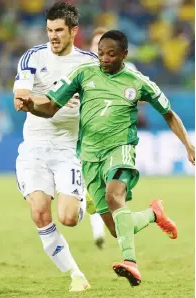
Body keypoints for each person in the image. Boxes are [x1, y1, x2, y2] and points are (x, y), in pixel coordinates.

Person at [16, 30, 195, 287]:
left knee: (114, 197)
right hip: (89, 157)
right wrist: (30, 105)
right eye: (101, 53)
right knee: (116, 228)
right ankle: (154, 214)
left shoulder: (137, 81)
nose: (104, 58)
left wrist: (189, 145)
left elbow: (168, 113)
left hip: (120, 149)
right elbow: (52, 106)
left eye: (111, 54)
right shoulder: (83, 73)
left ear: (124, 55)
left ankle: (131, 262)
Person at [13, 2, 97, 292]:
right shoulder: (31, 58)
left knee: (68, 218)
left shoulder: (89, 64)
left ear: (74, 31)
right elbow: (21, 97)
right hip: (34, 148)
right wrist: (46, 100)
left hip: (68, 149)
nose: (53, 35)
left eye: (59, 30)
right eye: (49, 30)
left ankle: (86, 197)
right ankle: (76, 275)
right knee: (39, 212)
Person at [88, 27, 147, 249]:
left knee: (106, 195)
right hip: (85, 140)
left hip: (116, 139)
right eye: (95, 47)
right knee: (93, 198)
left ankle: (124, 251)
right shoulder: (85, 70)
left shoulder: (128, 70)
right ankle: (99, 232)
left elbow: (142, 95)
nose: (98, 52)